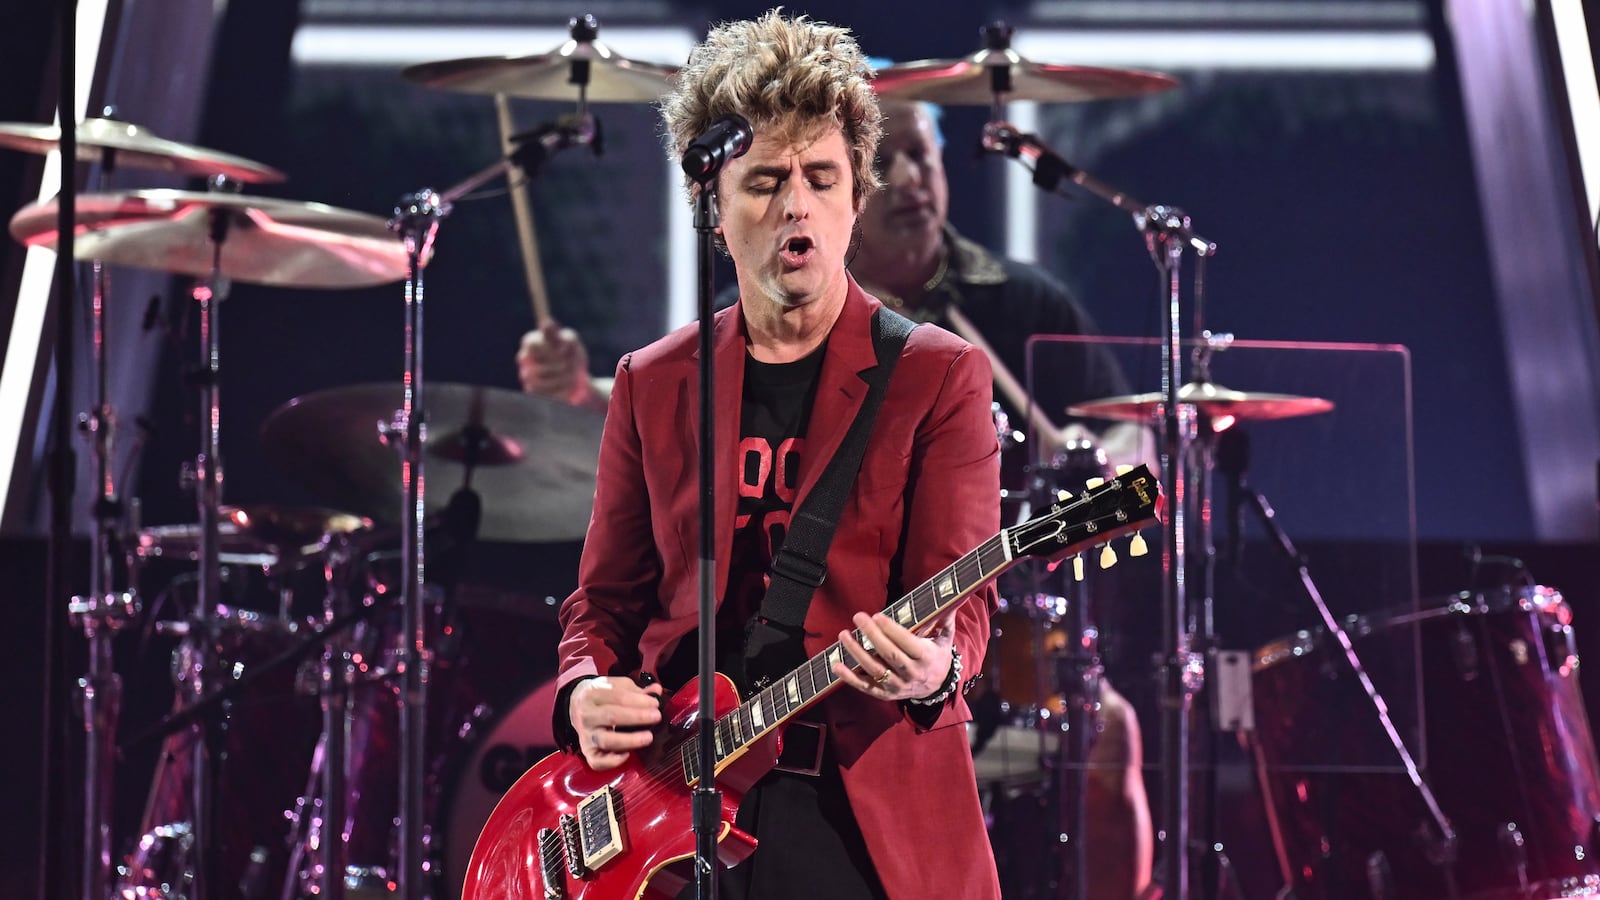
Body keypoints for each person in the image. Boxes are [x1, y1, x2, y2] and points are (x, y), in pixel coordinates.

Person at [550, 12, 1002, 899]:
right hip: (672, 802)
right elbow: (602, 604)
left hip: (851, 802)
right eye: (764, 181)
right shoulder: (653, 381)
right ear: (714, 211)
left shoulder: (937, 375)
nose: (796, 205)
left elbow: (965, 600)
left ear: (855, 197)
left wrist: (937, 668)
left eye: (821, 178)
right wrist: (581, 692)